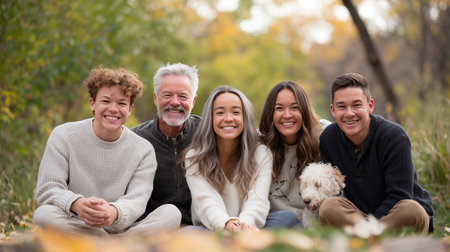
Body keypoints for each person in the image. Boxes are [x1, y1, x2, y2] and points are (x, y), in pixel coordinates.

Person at [34, 67, 181, 236]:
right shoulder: (64, 135)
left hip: (119, 227)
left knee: (172, 214)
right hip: (77, 222)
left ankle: (103, 244)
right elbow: (48, 188)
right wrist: (76, 203)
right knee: (43, 214)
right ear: (92, 104)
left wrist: (113, 211)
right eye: (105, 101)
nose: (113, 109)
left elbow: (137, 199)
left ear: (130, 109)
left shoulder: (143, 149)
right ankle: (118, 246)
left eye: (121, 103)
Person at [318, 73, 434, 233]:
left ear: (370, 105)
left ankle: (363, 239)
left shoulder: (394, 136)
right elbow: (336, 192)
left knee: (412, 210)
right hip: (358, 217)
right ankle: (373, 241)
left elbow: (400, 195)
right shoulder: (328, 138)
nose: (349, 113)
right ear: (333, 110)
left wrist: (371, 226)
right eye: (342, 106)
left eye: (356, 105)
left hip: (396, 214)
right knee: (329, 207)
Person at [182, 86, 272, 232]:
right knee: (186, 233)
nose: (228, 118)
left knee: (286, 218)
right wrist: (227, 225)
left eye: (236, 112)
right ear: (210, 118)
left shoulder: (261, 153)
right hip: (212, 229)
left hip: (250, 227)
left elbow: (258, 200)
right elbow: (206, 202)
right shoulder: (194, 156)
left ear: (245, 117)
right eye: (220, 112)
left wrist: (244, 225)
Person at [132, 63, 200, 225]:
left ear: (193, 101)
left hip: (198, 224)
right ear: (156, 98)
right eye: (167, 95)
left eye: (183, 96)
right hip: (151, 223)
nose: (175, 102)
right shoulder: (135, 139)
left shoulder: (208, 133)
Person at [259, 80, 330, 228]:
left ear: (304, 110)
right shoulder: (259, 143)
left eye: (294, 108)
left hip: (315, 221)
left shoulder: (324, 134)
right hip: (276, 222)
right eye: (279, 108)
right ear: (270, 113)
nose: (287, 115)